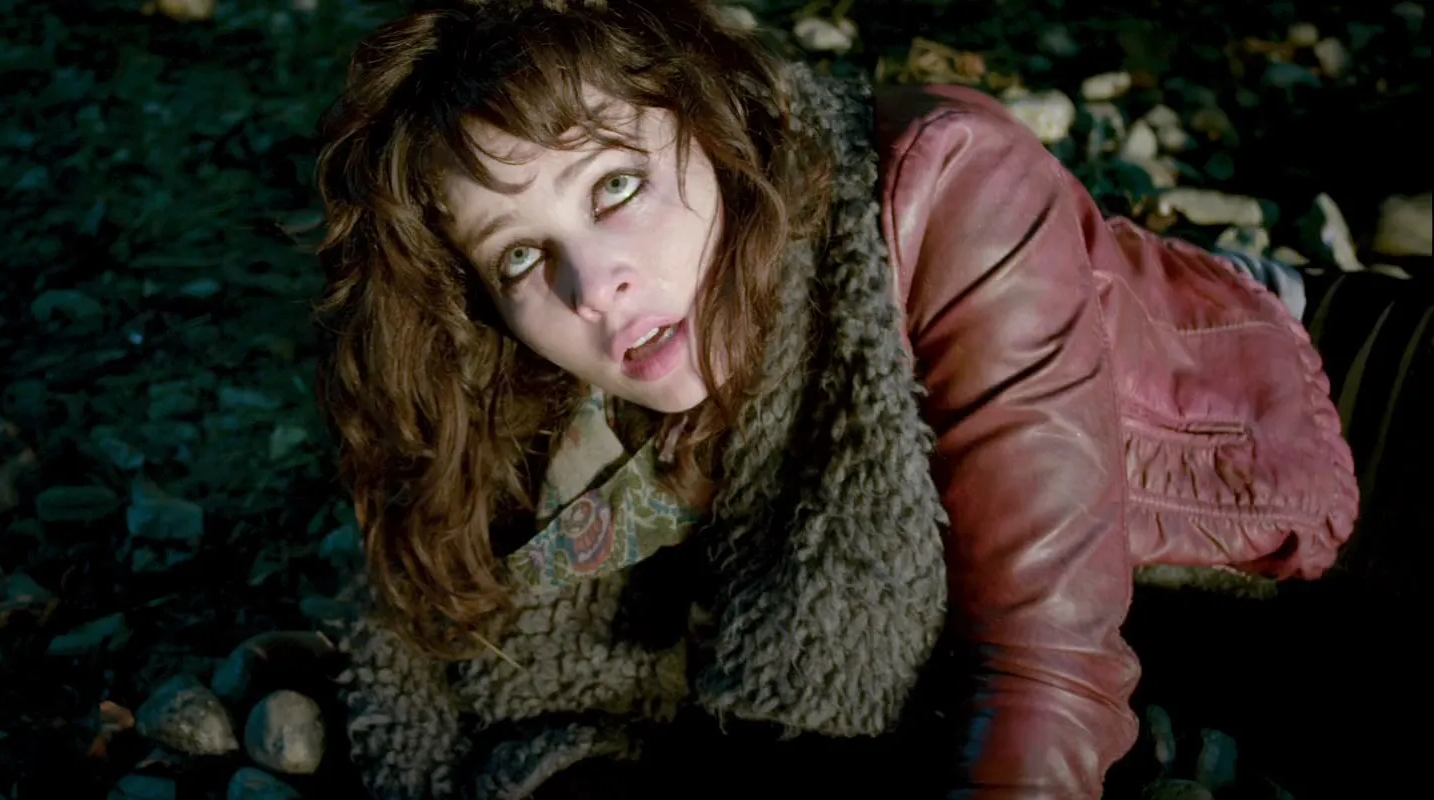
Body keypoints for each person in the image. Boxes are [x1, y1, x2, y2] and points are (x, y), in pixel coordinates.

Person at [307, 0, 1359, 797]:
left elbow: (1044, 667)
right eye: (523, 254)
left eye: (616, 187)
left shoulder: (950, 186)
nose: (593, 286)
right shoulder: (574, 377)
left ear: (707, 122)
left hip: (1312, 407)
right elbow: (474, 609)